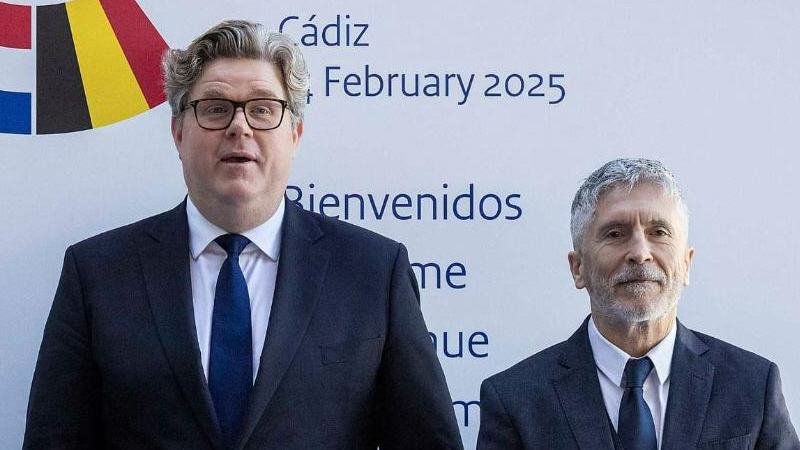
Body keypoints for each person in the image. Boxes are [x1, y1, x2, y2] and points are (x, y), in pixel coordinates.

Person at [23, 20, 463, 450]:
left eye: (263, 109)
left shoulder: (372, 271)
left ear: (295, 135)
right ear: (178, 133)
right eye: (215, 108)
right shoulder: (97, 274)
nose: (240, 127)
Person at [476, 158, 799, 450]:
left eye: (659, 232)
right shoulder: (515, 399)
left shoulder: (752, 385)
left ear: (686, 263)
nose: (640, 253)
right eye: (615, 234)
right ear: (578, 268)